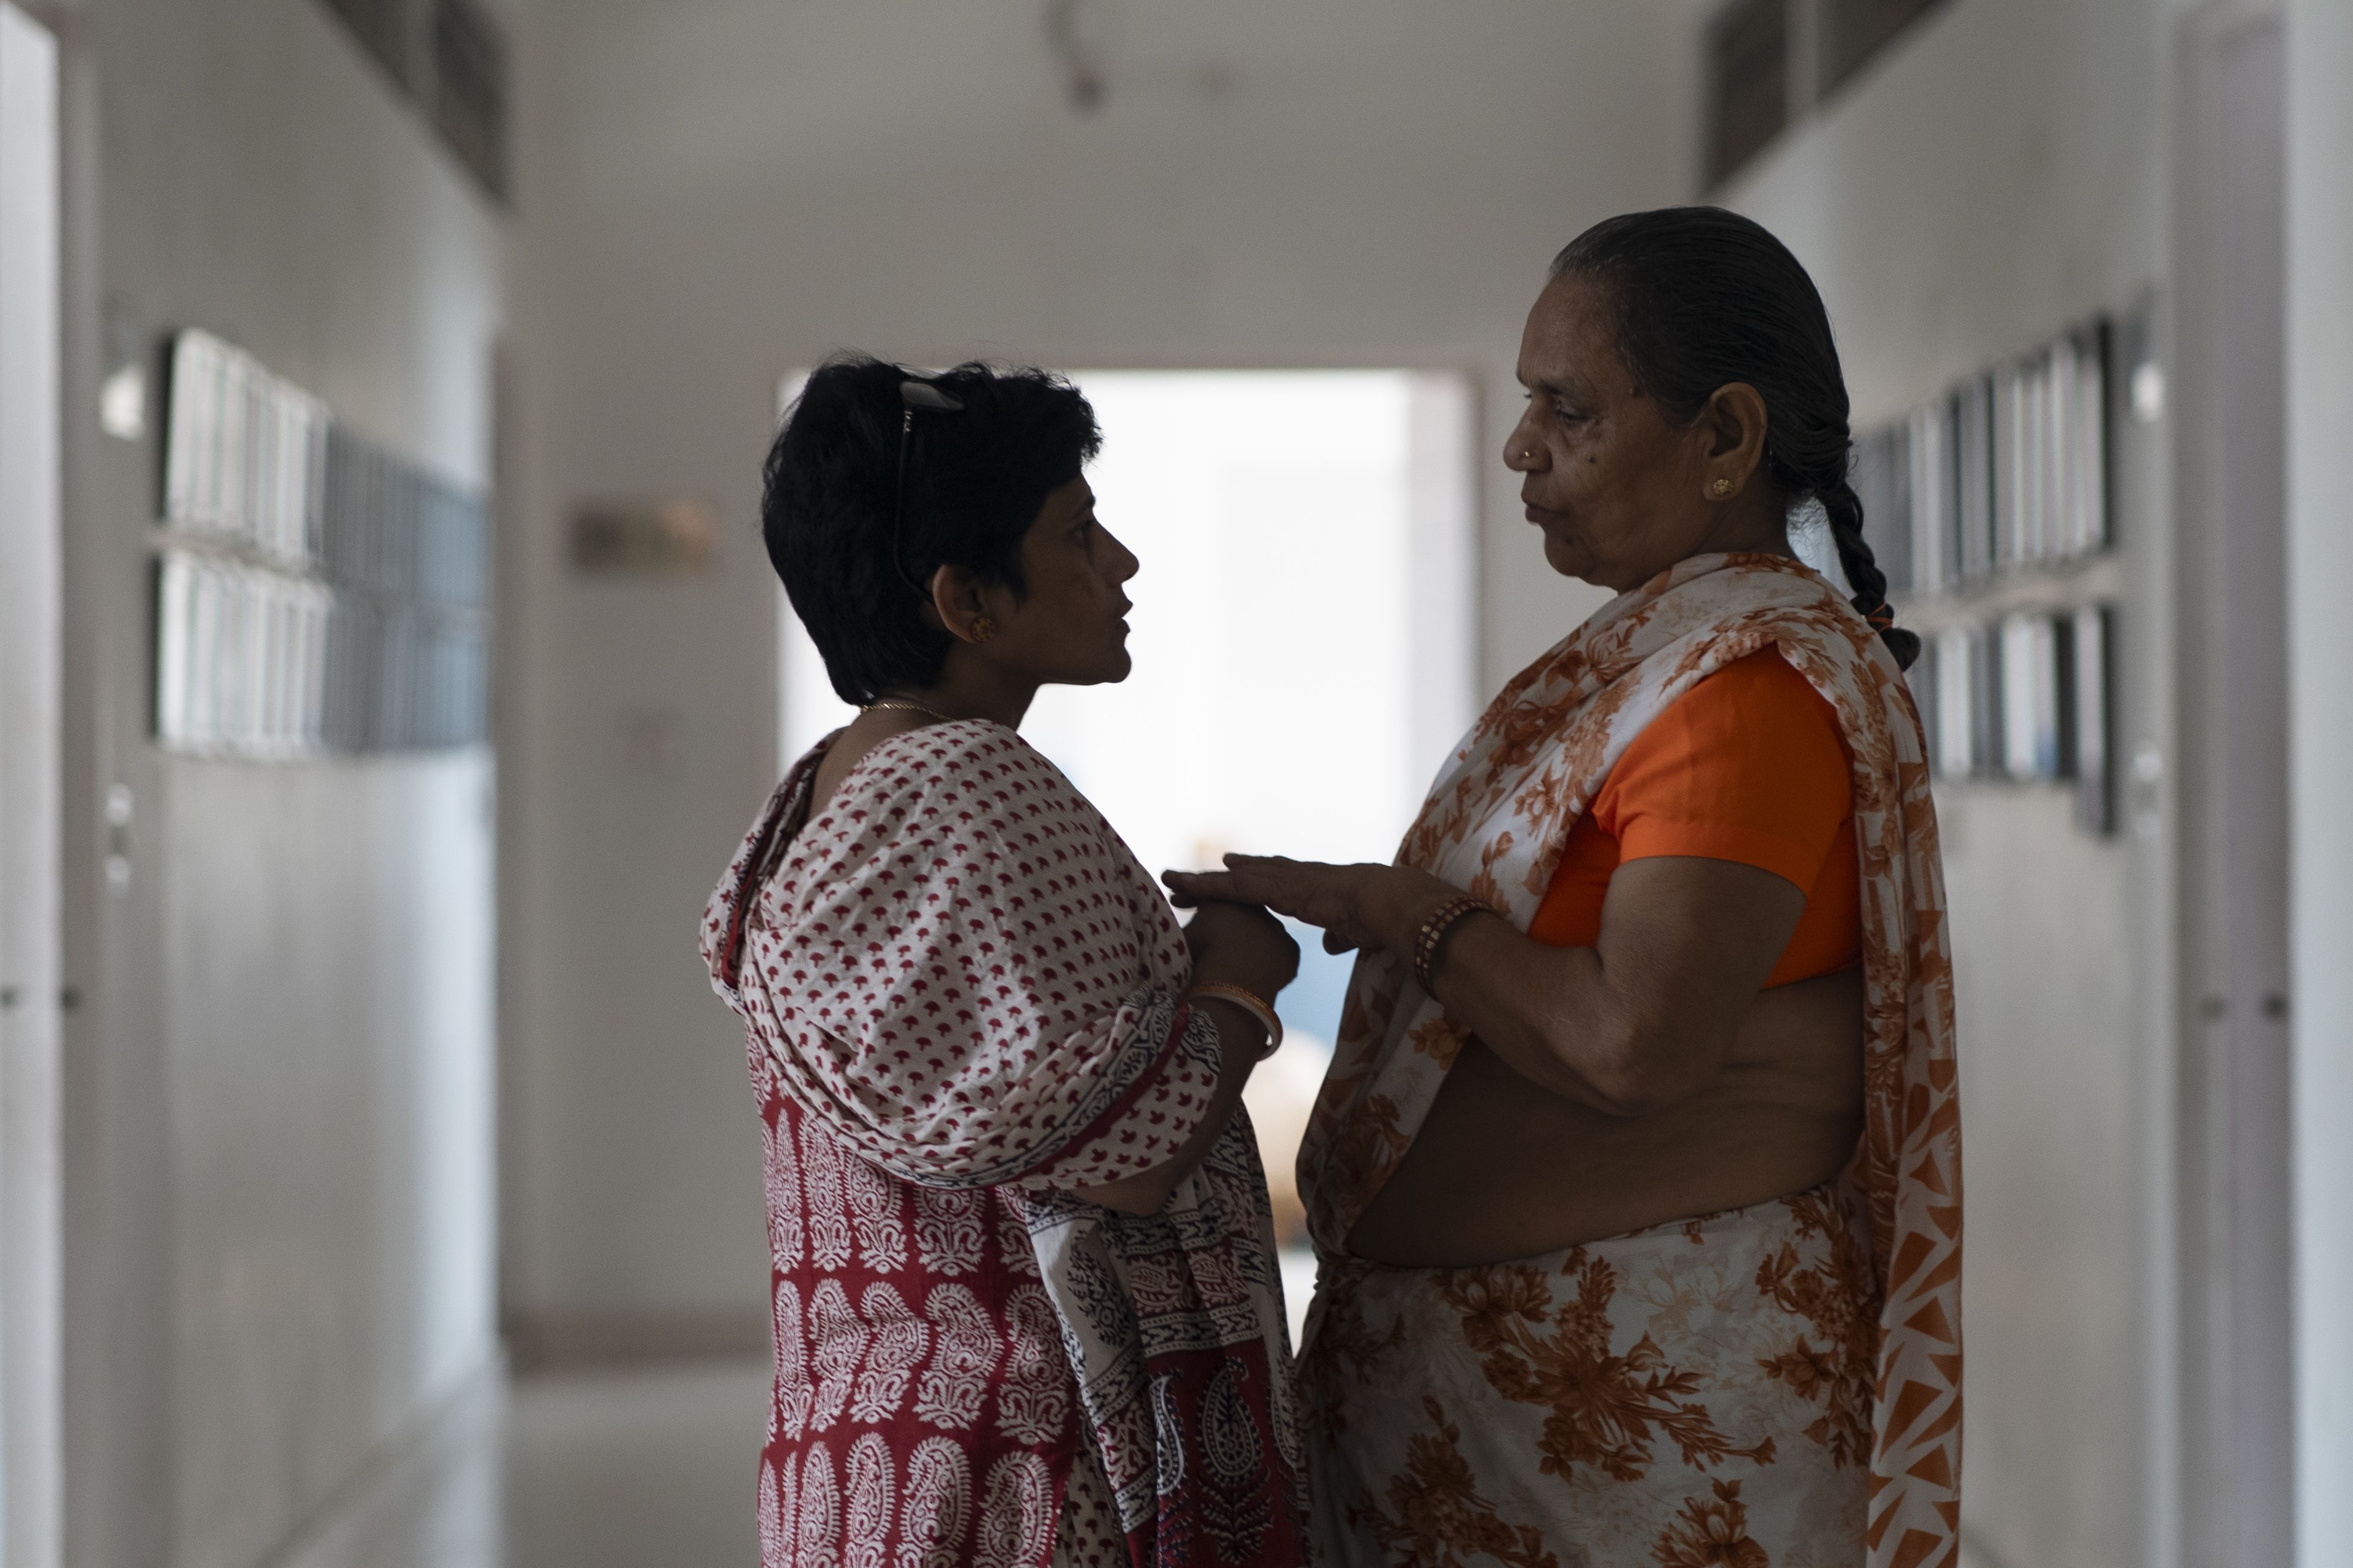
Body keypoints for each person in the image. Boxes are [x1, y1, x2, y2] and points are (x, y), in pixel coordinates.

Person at [1167, 208, 1962, 1568]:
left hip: (1639, 1420)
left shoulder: (1746, 691)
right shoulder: (1664, 663)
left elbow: (1628, 1042)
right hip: (1507, 1419)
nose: (1518, 446)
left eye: (1565, 407)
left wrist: (1391, 912)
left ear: (1724, 435)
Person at [701, 356, 1313, 1568]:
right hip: (1025, 1467)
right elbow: (1115, 1147)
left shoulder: (847, 781)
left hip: (883, 1444)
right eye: (1080, 533)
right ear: (967, 602)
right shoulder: (969, 787)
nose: (1121, 565)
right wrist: (1239, 983)